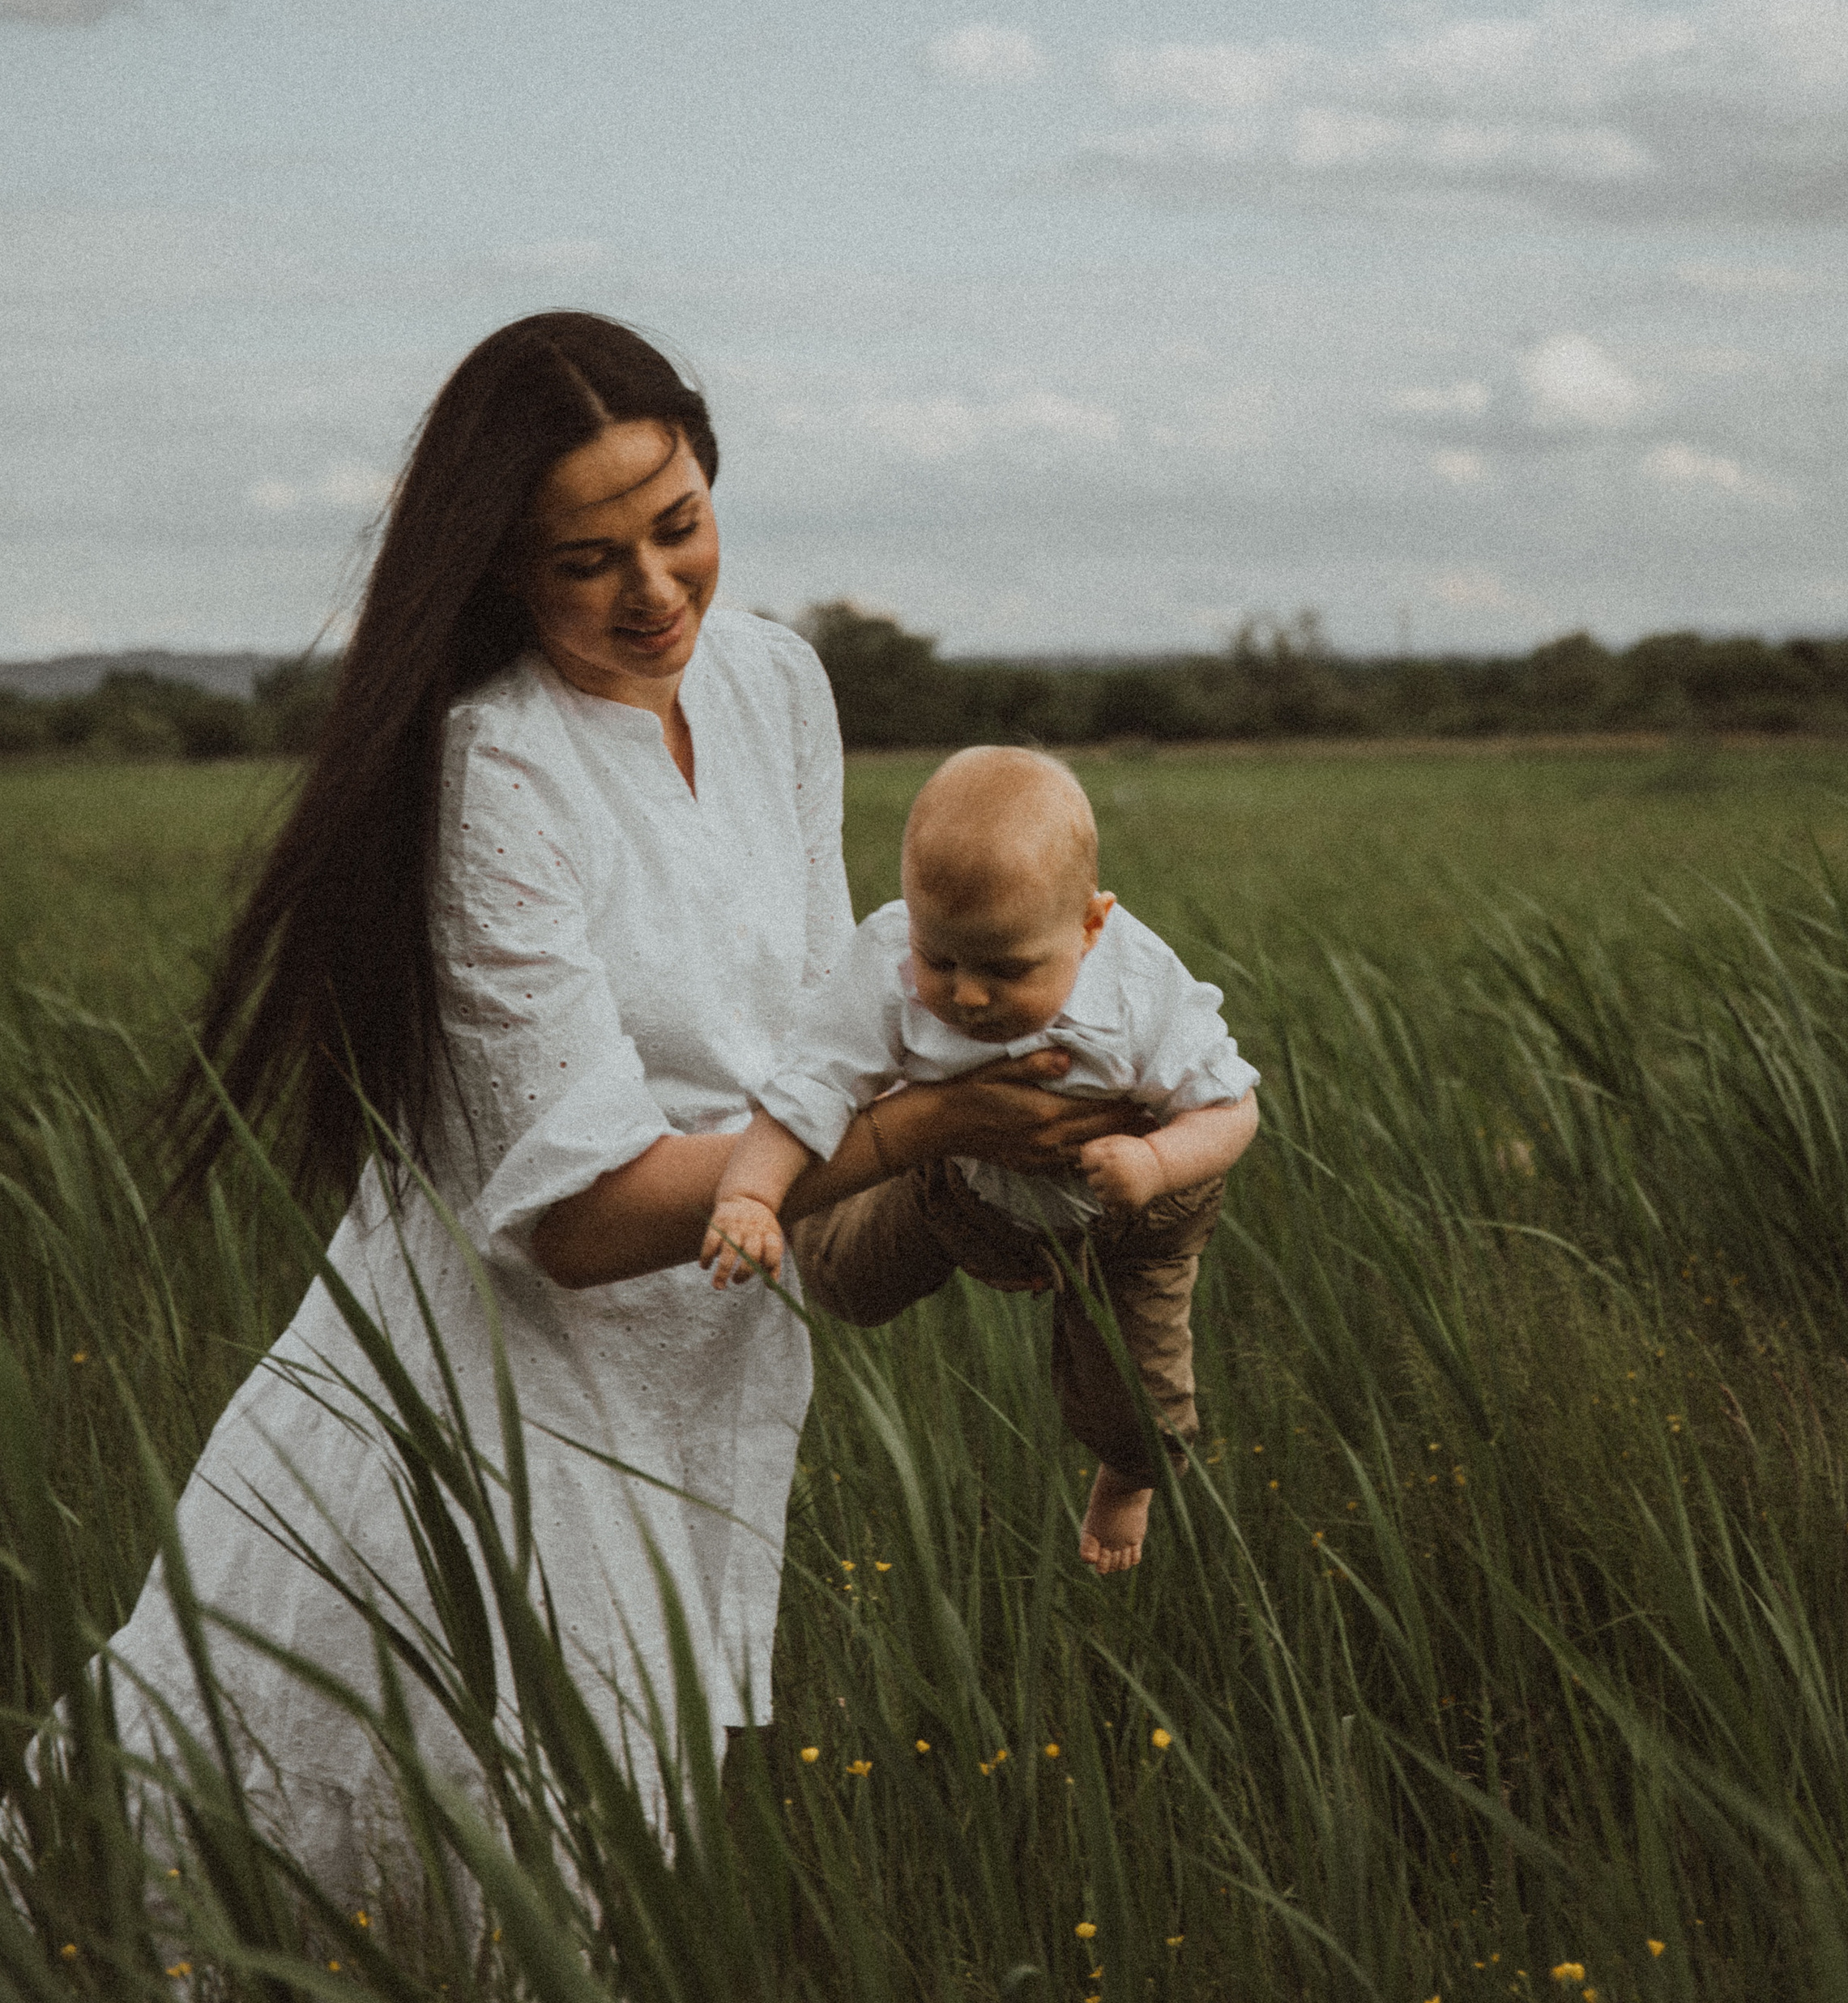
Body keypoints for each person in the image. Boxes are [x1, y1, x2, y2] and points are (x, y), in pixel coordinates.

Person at [103, 313, 1133, 1894]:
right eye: (585, 561)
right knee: (418, 1861)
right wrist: (929, 1134)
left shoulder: (778, 683)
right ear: (503, 571)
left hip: (704, 1356)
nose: (653, 592)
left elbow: (813, 1042)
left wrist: (1016, 1100)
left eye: (677, 526)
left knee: (604, 1822)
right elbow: (579, 1222)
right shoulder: (491, 771)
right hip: (491, 1401)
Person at [706, 747, 1259, 1575]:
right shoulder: (889, 958)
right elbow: (808, 1082)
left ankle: (1128, 1479)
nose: (966, 996)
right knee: (843, 1278)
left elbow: (1231, 1108)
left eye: (1006, 970)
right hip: (966, 1184)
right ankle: (861, 1212)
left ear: (1090, 925)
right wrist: (749, 1194)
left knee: (1137, 1411)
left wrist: (1155, 1163)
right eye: (942, 960)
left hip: (1131, 1214)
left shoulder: (1139, 987)